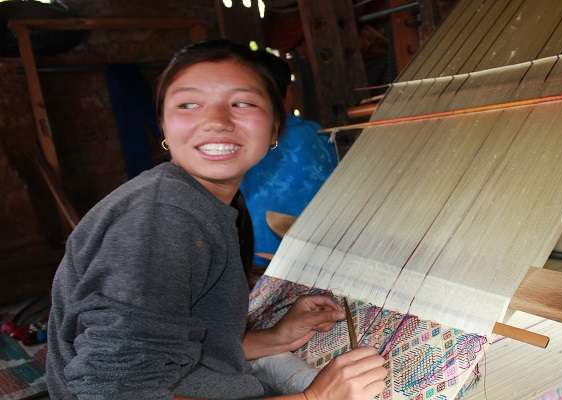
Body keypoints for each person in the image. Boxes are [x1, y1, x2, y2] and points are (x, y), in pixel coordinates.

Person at [46, 40, 387, 400]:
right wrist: (316, 397)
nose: (216, 121)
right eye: (189, 104)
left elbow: (180, 348)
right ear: (163, 125)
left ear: (275, 128)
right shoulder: (163, 219)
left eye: (242, 103)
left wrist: (274, 339)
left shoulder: (208, 202)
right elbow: (116, 393)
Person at [240, 51, 337, 268]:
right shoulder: (316, 135)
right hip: (317, 257)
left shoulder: (233, 142)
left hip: (251, 259)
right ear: (290, 93)